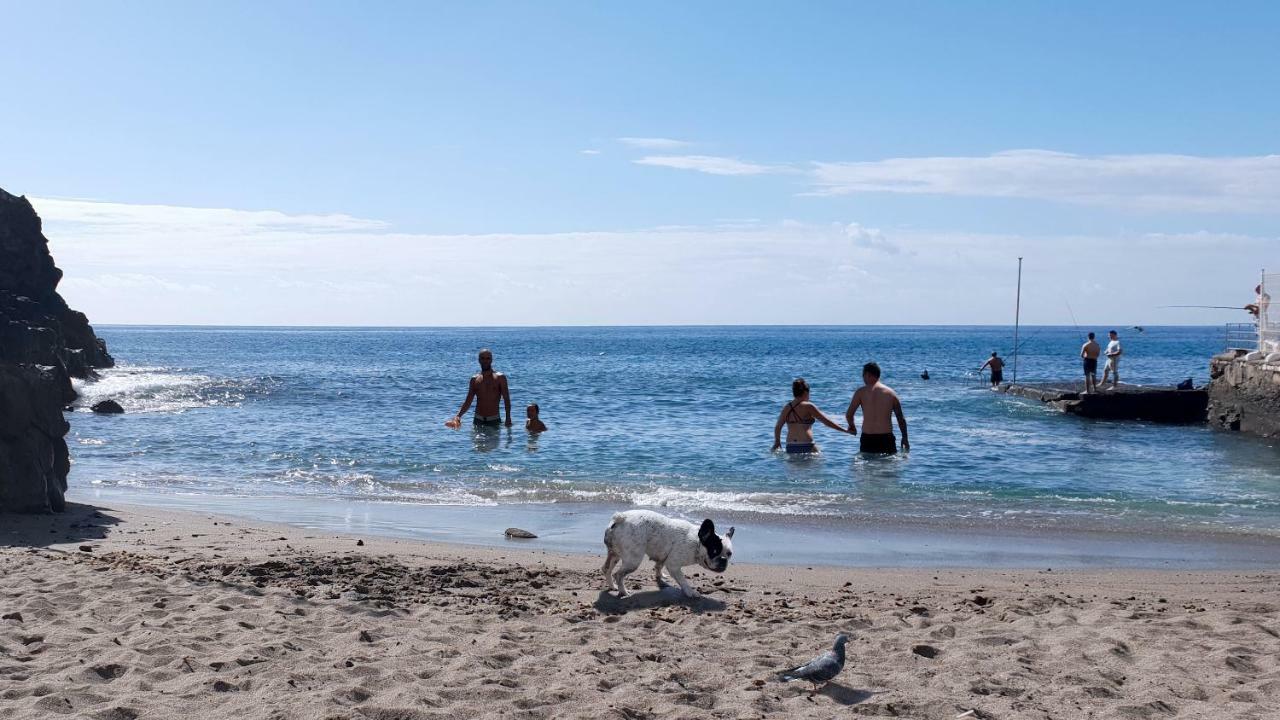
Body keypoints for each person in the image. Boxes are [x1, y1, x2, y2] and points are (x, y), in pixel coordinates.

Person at [772, 378, 850, 454]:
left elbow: (778, 427)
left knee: (794, 467)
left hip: (790, 446)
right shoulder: (809, 406)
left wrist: (777, 442)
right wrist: (845, 430)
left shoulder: (786, 407)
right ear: (806, 393)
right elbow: (826, 422)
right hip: (807, 445)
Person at [846, 362, 909, 454]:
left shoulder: (860, 392)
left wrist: (852, 427)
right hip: (886, 439)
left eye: (863, 375)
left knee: (869, 467)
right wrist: (905, 438)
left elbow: (849, 415)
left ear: (868, 375)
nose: (863, 378)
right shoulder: (891, 393)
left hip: (867, 439)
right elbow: (901, 419)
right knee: (888, 467)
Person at [450, 348, 512, 427]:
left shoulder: (500, 378)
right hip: (477, 420)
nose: (485, 361)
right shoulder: (474, 379)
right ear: (479, 360)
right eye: (482, 358)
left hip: (494, 420)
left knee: (494, 439)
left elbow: (506, 399)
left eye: (488, 358)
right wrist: (458, 416)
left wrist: (508, 417)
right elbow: (468, 401)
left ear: (491, 360)